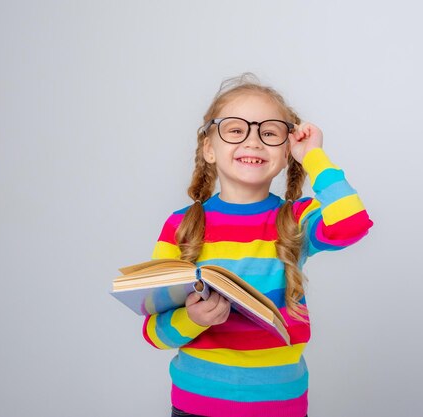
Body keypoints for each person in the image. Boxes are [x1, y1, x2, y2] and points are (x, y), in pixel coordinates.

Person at [143, 73, 373, 417]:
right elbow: (154, 333)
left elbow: (352, 223)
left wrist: (313, 156)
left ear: (285, 152)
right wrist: (193, 318)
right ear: (209, 148)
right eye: (236, 130)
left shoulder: (296, 217)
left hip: (280, 405)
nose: (253, 142)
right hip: (196, 405)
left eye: (269, 133)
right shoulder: (180, 225)